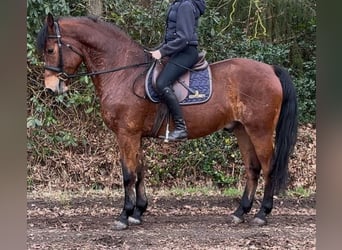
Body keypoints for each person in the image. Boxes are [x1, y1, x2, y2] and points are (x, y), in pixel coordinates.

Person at [149, 0, 206, 141]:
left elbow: (184, 38)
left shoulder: (185, 5)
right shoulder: (178, 4)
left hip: (186, 52)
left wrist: (162, 52)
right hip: (177, 51)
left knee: (162, 83)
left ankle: (181, 128)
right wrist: (158, 49)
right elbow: (171, 37)